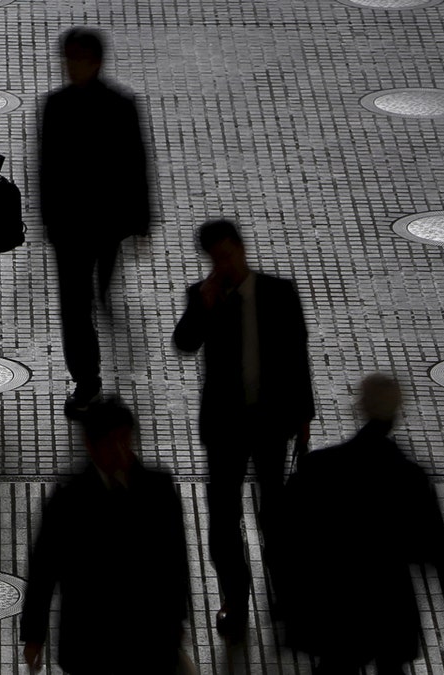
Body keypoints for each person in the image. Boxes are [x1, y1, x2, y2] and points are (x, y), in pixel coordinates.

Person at [172, 219, 314, 640]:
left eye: (228, 255)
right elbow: (184, 343)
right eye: (215, 259)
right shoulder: (206, 296)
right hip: (225, 428)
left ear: (241, 249)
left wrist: (303, 418)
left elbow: (296, 355)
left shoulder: (279, 293)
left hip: (271, 424)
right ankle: (235, 600)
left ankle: (285, 598)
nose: (224, 264)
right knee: (222, 519)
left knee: (276, 515)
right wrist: (203, 305)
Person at [281, 374, 444, 675]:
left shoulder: (321, 468)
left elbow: (287, 532)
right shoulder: (409, 477)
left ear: (361, 407)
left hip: (338, 603)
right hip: (391, 605)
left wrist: (289, 599)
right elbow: (436, 551)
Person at [20, 399, 190, 674]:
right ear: (91, 445)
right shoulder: (69, 500)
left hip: (148, 640)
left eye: (125, 439)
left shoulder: (158, 490)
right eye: (112, 442)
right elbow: (44, 568)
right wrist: (34, 635)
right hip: (91, 644)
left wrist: (176, 619)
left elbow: (175, 562)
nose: (121, 450)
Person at [39, 27, 152, 415]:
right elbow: (47, 166)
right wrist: (49, 219)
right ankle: (86, 378)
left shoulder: (120, 105)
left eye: (79, 59)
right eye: (68, 59)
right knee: (74, 305)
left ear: (97, 62)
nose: (72, 66)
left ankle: (102, 294)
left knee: (90, 289)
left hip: (106, 224)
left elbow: (137, 163)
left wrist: (140, 220)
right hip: (71, 228)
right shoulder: (56, 105)